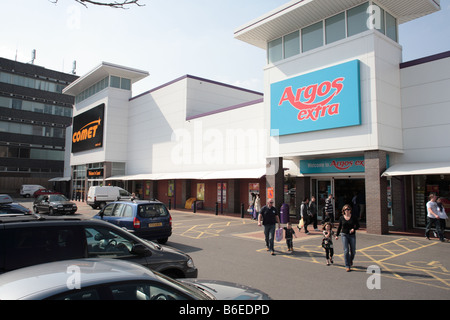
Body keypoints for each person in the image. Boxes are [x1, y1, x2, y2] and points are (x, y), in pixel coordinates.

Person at [336, 204, 360, 272]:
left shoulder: (353, 217)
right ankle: (347, 265)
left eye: (348, 209)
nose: (347, 211)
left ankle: (350, 260)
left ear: (350, 210)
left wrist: (354, 229)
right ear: (343, 211)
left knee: (353, 251)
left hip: (352, 235)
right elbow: (339, 227)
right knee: (346, 250)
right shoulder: (341, 218)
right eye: (345, 209)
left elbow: (358, 225)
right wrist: (337, 235)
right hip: (344, 235)